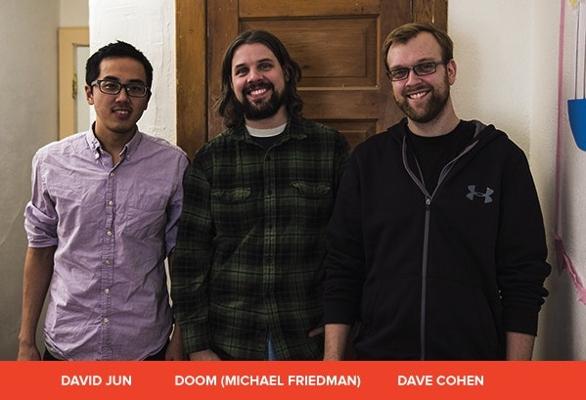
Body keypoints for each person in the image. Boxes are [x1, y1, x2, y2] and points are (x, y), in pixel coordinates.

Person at [322, 23, 551, 360]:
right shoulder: (368, 160)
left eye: (425, 67)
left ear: (451, 71)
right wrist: (332, 364)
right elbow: (343, 267)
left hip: (472, 365)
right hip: (379, 361)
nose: (412, 81)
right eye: (400, 72)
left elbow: (524, 277)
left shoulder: (502, 159)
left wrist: (515, 378)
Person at [172, 30, 349, 360]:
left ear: (286, 72)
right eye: (242, 71)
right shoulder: (210, 159)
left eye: (265, 66)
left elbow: (349, 248)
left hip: (308, 343)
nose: (254, 77)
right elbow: (189, 260)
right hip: (229, 346)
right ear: (232, 84)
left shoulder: (329, 148)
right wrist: (197, 346)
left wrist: (341, 324)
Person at [17, 41, 189, 361]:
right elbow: (40, 250)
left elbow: (181, 256)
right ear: (89, 93)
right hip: (68, 344)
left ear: (147, 99)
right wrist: (26, 341)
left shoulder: (172, 164)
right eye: (110, 85)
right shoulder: (50, 162)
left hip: (145, 347)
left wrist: (180, 335)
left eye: (135, 88)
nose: (122, 97)